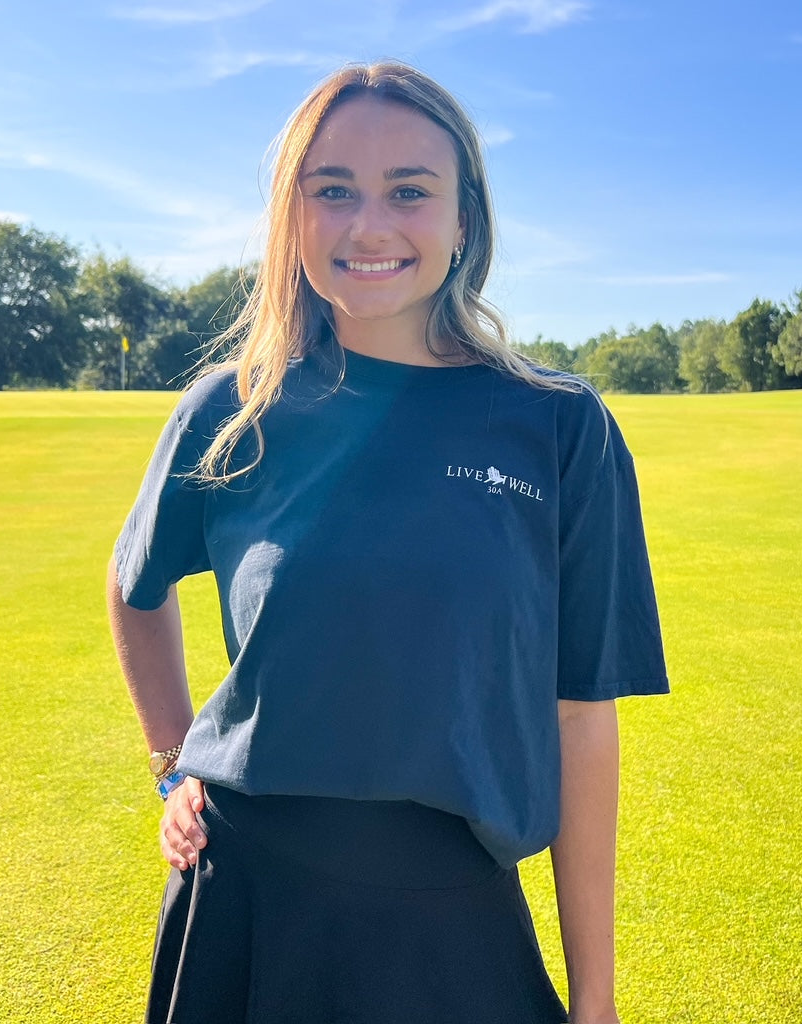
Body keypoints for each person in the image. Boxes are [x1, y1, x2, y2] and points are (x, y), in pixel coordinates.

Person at [108, 60, 669, 1024]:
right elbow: (135, 583)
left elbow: (582, 717)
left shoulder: (557, 425)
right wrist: (171, 764)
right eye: (333, 191)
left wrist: (598, 1000)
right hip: (243, 904)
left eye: (410, 191)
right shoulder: (235, 408)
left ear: (464, 220)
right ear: (292, 217)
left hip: (451, 921)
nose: (369, 225)